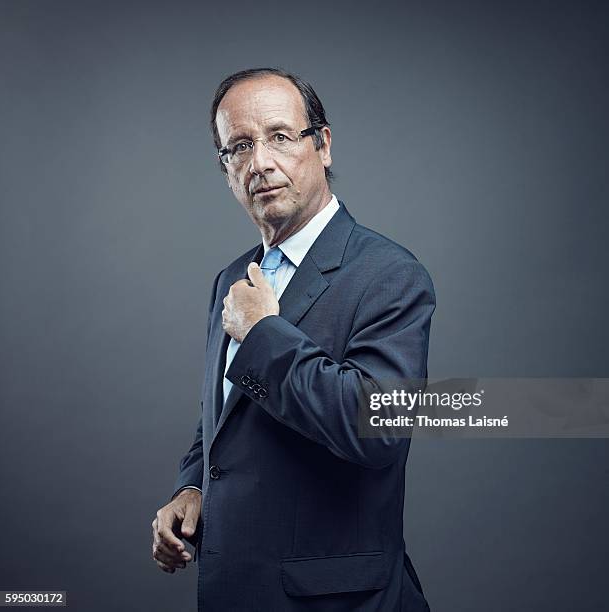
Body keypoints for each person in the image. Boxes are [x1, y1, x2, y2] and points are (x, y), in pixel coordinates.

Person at [152, 67, 435, 611]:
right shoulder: (232, 278)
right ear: (226, 169)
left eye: (280, 136)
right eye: (239, 146)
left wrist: (262, 332)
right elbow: (225, 416)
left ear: (322, 145)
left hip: (335, 601)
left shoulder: (390, 274)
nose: (260, 162)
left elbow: (376, 430)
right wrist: (192, 487)